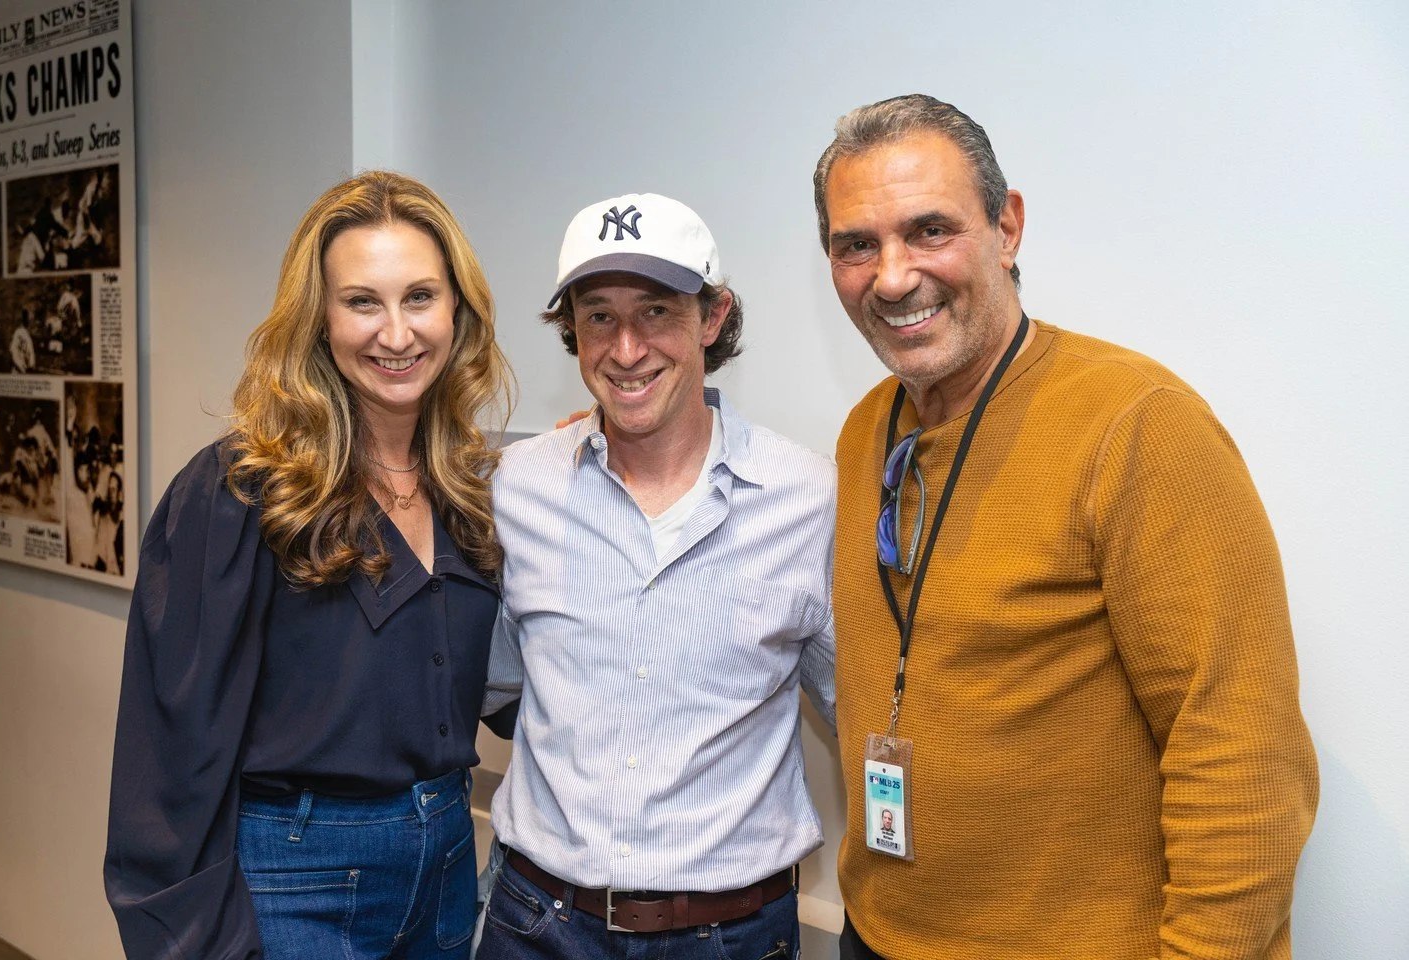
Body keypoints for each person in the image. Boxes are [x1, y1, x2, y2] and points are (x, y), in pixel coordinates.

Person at [816, 94, 1319, 960]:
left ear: (1006, 228)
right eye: (856, 244)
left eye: (929, 230)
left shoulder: (1137, 425)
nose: (891, 276)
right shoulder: (868, 428)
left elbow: (1241, 759)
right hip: (878, 936)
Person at [104, 171, 512, 959]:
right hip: (296, 884)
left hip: (447, 871)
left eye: (420, 296)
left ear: (458, 310)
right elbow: (169, 758)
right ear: (318, 320)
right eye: (363, 301)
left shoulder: (473, 488)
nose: (396, 333)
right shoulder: (240, 490)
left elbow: (516, 687)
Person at [478, 193, 835, 960]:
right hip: (538, 924)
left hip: (735, 936)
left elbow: (863, 712)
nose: (627, 348)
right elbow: (496, 686)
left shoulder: (808, 498)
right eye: (598, 316)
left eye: (657, 311)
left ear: (711, 318)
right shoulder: (515, 489)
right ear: (571, 328)